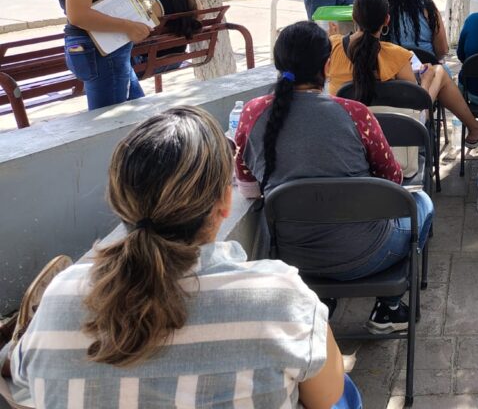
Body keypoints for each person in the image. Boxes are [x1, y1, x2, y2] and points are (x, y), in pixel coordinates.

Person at [10, 106, 362, 409]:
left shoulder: (59, 297)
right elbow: (327, 396)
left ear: (120, 201)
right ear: (225, 203)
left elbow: (25, 386)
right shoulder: (280, 297)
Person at [234, 21, 426, 338]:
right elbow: (392, 179)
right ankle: (390, 307)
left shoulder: (253, 113)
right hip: (368, 252)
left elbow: (249, 188)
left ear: (278, 64)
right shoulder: (355, 113)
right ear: (326, 65)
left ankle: (324, 298)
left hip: (292, 256)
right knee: (422, 205)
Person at [326, 0, 478, 147]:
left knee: (437, 73)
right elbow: (414, 104)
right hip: (396, 129)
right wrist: (425, 81)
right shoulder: (397, 55)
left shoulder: (333, 46)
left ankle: (475, 129)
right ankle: (475, 128)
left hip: (346, 125)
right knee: (438, 72)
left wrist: (332, 37)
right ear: (387, 20)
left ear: (354, 17)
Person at [137, 0, 202, 72]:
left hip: (149, 64)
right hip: (176, 60)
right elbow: (200, 15)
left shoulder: (152, 4)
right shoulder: (194, 1)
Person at [378, 0, 447, 58]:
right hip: (427, 66)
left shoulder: (380, 10)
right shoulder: (428, 8)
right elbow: (442, 49)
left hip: (393, 68)